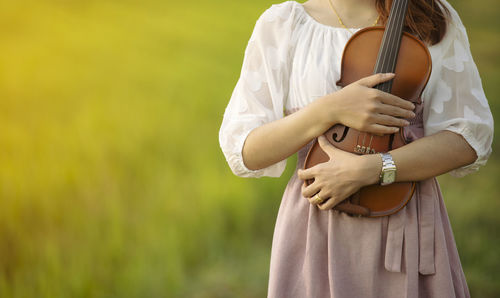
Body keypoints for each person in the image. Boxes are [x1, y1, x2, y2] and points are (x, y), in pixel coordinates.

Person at [219, 0, 494, 297]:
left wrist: (373, 169)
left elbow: (467, 137)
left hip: (403, 217)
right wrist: (329, 109)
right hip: (316, 217)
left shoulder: (431, 16)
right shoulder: (284, 23)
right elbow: (247, 150)